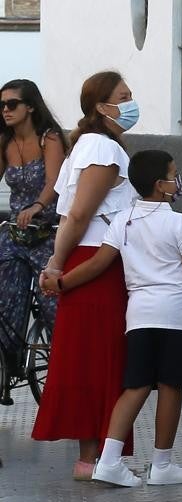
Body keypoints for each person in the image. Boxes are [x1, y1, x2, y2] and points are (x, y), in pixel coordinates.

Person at [52, 150, 182, 488]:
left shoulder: (123, 220)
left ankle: (109, 460)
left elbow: (99, 263)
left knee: (135, 387)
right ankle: (161, 464)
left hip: (138, 315)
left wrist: (61, 282)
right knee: (171, 386)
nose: (178, 181)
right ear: (161, 185)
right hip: (176, 314)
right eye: (174, 174)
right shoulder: (181, 223)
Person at [34, 71, 139, 479]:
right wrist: (56, 264)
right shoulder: (101, 148)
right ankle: (98, 457)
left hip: (85, 255)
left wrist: (58, 261)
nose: (131, 102)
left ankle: (90, 456)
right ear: (101, 105)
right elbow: (77, 213)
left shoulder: (86, 145)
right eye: (124, 96)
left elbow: (70, 210)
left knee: (88, 356)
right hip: (96, 259)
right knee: (101, 357)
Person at [1, 79, 66, 361]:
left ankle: (64, 359)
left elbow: (55, 182)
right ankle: (8, 361)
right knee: (7, 300)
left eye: (12, 104)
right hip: (15, 233)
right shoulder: (5, 142)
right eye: (1, 105)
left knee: (52, 303)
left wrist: (38, 205)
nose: (5, 109)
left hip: (46, 233)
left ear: (29, 107)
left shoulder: (48, 138)